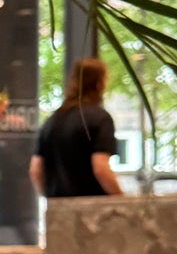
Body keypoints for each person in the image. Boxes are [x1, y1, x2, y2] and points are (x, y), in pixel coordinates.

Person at [31, 58, 123, 199]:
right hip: (93, 206)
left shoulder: (52, 121)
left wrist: (51, 199)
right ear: (99, 84)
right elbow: (101, 168)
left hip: (58, 207)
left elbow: (36, 170)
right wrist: (122, 199)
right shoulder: (100, 118)